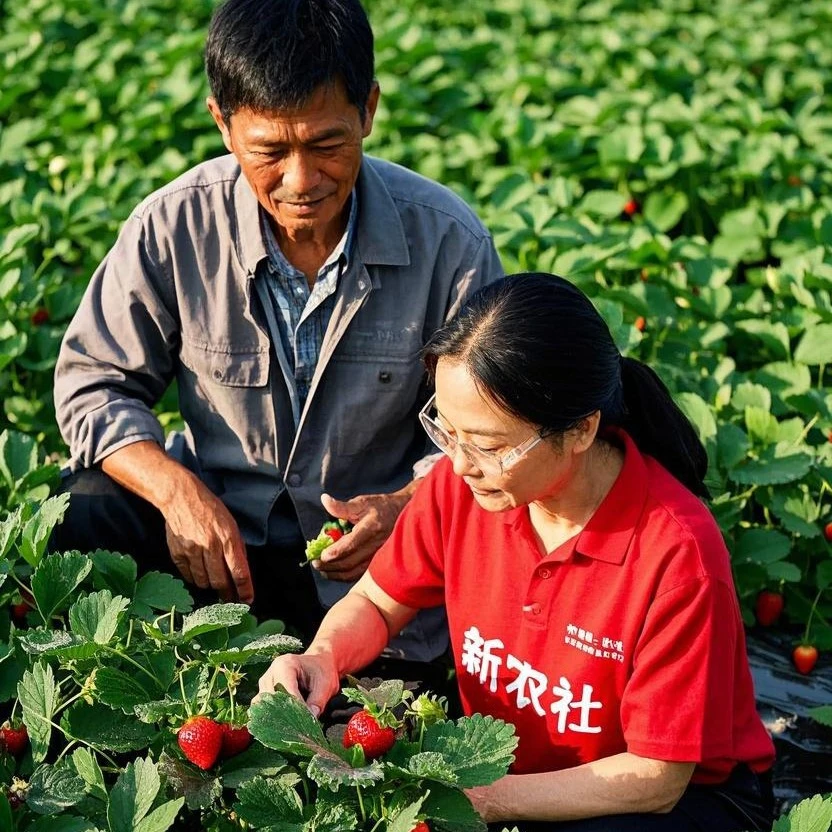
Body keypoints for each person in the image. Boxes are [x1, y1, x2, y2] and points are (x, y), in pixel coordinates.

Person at [50, 0, 503, 675]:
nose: (301, 181)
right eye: (270, 151)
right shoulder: (173, 228)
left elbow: (493, 428)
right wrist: (178, 493)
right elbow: (92, 384)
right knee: (83, 508)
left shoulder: (447, 242)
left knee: (381, 720)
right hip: (216, 554)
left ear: (369, 111)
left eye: (327, 145)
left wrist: (406, 509)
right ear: (222, 125)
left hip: (378, 572)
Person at [258, 273, 776, 832]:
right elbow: (380, 603)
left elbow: (658, 775)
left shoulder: (675, 555)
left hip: (671, 798)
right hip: (513, 771)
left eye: (487, 445)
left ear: (579, 430)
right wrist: (323, 657)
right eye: (446, 431)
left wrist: (485, 799)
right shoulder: (465, 488)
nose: (458, 464)